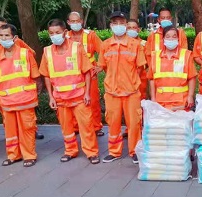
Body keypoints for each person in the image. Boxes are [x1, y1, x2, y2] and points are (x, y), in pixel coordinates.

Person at [39, 19, 100, 164]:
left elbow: (87, 71)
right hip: (60, 98)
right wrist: (51, 97)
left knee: (86, 126)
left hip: (79, 96)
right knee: (66, 128)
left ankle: (91, 152)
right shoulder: (47, 51)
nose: (54, 35)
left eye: (57, 32)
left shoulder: (76, 47)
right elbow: (46, 75)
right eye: (51, 33)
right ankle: (70, 151)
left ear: (65, 32)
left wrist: (87, 93)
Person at [0, 17, 44, 140]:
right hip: (2, 86)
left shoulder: (17, 42)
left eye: (5, 27)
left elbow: (31, 53)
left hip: (20, 85)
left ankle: (32, 130)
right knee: (6, 114)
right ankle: (12, 133)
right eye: (0, 28)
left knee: (27, 115)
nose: (4, 35)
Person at [99, 12, 146, 164]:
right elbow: (104, 66)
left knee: (134, 124)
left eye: (121, 22)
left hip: (131, 92)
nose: (118, 25)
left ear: (126, 24)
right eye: (115, 23)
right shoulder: (105, 45)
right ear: (111, 25)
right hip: (112, 92)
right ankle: (114, 151)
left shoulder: (135, 45)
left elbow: (140, 67)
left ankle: (135, 151)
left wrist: (130, 81)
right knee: (113, 123)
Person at [0, 24, 39, 167]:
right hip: (7, 102)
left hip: (25, 100)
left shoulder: (26, 54)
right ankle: (13, 155)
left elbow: (35, 77)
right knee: (10, 131)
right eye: (1, 36)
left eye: (7, 35)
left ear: (15, 37)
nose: (4, 38)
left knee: (27, 129)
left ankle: (29, 155)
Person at [65, 11, 104, 136]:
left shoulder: (90, 35)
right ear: (68, 22)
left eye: (77, 21)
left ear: (81, 21)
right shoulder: (65, 36)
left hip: (90, 73)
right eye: (72, 21)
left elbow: (103, 51)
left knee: (93, 101)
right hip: (72, 75)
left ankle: (96, 127)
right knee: (73, 101)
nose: (75, 23)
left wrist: (101, 66)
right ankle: (76, 127)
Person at [149, 26, 197, 111]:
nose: (171, 39)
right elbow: (151, 79)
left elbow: (192, 78)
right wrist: (153, 97)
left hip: (181, 102)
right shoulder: (155, 56)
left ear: (178, 39)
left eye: (174, 36)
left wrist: (190, 96)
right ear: (163, 39)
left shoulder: (186, 55)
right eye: (168, 36)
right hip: (160, 102)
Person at [127, 18, 148, 100]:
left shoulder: (144, 44)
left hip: (141, 79)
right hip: (125, 78)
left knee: (140, 100)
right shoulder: (122, 44)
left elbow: (149, 63)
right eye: (129, 28)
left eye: (134, 27)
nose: (131, 30)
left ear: (138, 29)